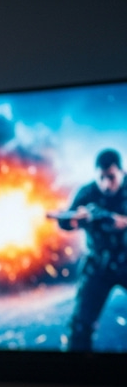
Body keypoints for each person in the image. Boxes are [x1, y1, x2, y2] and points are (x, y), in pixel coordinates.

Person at [54, 148, 127, 351]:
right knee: (80, 326)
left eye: (111, 177)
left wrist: (119, 221)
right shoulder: (87, 192)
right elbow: (65, 220)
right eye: (101, 178)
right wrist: (75, 221)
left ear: (121, 172)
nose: (106, 184)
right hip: (98, 265)